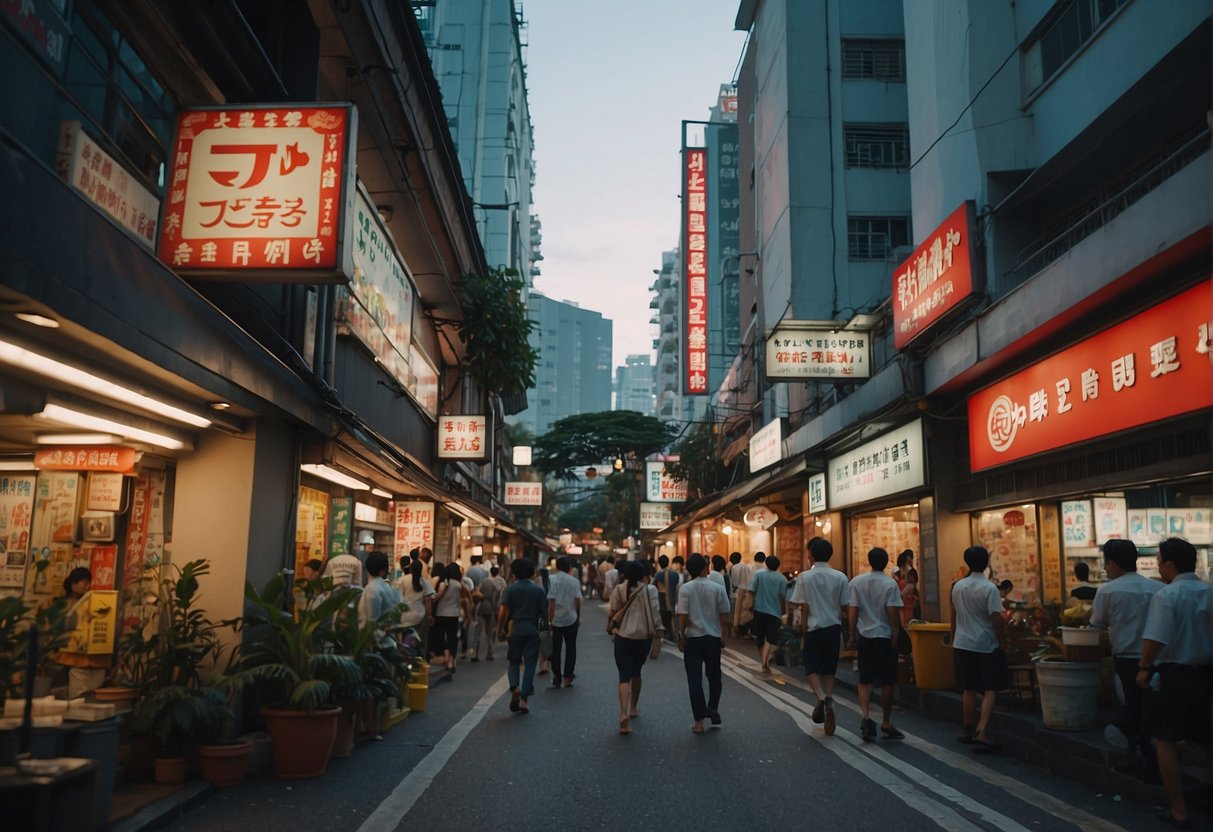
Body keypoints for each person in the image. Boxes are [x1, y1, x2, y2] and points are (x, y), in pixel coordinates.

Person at [1136, 537, 1212, 829]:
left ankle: (1179, 809)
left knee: (1166, 739)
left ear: (1168, 564)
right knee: (1204, 738)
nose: (1158, 566)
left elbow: (1155, 638)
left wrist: (1143, 667)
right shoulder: (1209, 592)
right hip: (1206, 674)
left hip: (1174, 674)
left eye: (1158, 560)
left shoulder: (1167, 595)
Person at [1089, 539, 1161, 770]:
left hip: (1126, 659)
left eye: (1106, 563)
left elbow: (1097, 624)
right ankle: (1151, 753)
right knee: (1150, 706)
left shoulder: (1108, 590)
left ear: (1112, 563)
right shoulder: (1156, 588)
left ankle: (1135, 753)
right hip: (1156, 658)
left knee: (1131, 706)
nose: (1106, 568)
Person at [790, 538, 850, 736]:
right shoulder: (840, 577)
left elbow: (803, 606)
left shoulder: (805, 577)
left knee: (811, 668)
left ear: (812, 555)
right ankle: (830, 697)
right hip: (833, 627)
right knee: (829, 670)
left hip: (814, 627)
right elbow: (844, 606)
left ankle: (821, 698)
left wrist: (804, 632)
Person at [951, 545, 1007, 752]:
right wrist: (1002, 641)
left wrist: (953, 636)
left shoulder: (958, 586)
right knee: (990, 689)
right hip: (984, 643)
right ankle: (982, 730)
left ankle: (968, 725)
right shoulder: (989, 588)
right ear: (986, 563)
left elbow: (954, 614)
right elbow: (996, 619)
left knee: (969, 688)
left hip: (962, 642)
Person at [847, 548, 905, 742]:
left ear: (869, 561)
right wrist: (896, 632)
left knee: (865, 679)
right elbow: (892, 611)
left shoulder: (856, 582)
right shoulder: (890, 584)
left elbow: (853, 609)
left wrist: (852, 634)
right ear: (887, 561)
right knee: (888, 680)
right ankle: (886, 721)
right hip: (885, 636)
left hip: (865, 635)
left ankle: (866, 716)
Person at [676, 553, 730, 734]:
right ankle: (713, 706)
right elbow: (724, 613)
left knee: (694, 679)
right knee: (714, 676)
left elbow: (682, 615)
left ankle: (698, 722)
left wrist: (681, 635)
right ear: (703, 568)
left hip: (693, 637)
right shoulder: (717, 588)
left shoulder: (685, 588)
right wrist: (723, 633)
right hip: (712, 637)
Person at [608, 561, 662, 734]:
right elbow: (655, 612)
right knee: (636, 672)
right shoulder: (650, 589)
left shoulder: (619, 589)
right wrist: (659, 629)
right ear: (642, 575)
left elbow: (614, 609)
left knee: (624, 676)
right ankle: (633, 708)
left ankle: (623, 712)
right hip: (642, 637)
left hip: (622, 636)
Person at [497, 558, 548, 714]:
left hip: (515, 629)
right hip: (532, 630)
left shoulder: (510, 590)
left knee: (514, 662)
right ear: (532, 573)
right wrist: (545, 629)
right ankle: (524, 699)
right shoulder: (538, 590)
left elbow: (503, 611)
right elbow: (544, 614)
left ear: (514, 573)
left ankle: (515, 688)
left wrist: (500, 629)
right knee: (530, 664)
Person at [58, 567, 107, 698]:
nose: (87, 586)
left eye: (88, 583)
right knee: (77, 699)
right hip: (76, 657)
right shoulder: (63, 605)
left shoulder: (94, 600)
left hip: (97, 657)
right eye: (84, 583)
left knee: (95, 697)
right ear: (73, 584)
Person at [748, 554, 786, 674]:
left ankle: (764, 660)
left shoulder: (759, 574)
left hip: (759, 609)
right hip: (774, 611)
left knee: (760, 637)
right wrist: (783, 610)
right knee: (771, 638)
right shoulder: (782, 579)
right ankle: (765, 660)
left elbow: (751, 590)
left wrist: (753, 601)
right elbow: (782, 596)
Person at [547, 556, 581, 688]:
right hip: (571, 618)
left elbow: (552, 602)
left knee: (555, 649)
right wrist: (578, 617)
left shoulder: (552, 579)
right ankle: (568, 676)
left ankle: (557, 676)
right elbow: (577, 601)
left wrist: (549, 621)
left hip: (555, 619)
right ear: (569, 567)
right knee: (571, 648)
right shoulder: (574, 581)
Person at [432, 562, 472, 674]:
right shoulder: (459, 584)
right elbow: (466, 598)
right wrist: (468, 615)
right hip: (454, 614)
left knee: (440, 636)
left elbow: (437, 596)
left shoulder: (445, 582)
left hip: (441, 613)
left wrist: (432, 601)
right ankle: (451, 660)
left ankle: (446, 655)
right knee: (452, 637)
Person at [358, 552, 403, 650]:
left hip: (376, 646)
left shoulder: (371, 589)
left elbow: (372, 620)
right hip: (389, 642)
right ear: (383, 570)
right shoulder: (389, 588)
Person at [396, 559, 436, 654]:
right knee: (420, 641)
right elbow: (428, 600)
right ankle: (419, 661)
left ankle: (406, 658)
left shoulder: (402, 580)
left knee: (405, 640)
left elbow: (397, 599)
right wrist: (430, 615)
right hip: (420, 616)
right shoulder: (424, 581)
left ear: (411, 568)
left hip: (405, 616)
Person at [470, 565, 506, 661]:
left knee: (478, 631)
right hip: (491, 608)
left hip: (481, 607)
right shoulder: (500, 582)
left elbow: (478, 593)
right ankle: (490, 653)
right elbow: (498, 595)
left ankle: (475, 654)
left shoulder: (485, 581)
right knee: (489, 632)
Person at [463, 555, 489, 661]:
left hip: (472, 596)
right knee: (480, 623)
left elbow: (469, 586)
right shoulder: (484, 571)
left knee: (471, 619)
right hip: (482, 597)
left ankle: (471, 622)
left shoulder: (469, 571)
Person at [654, 554, 681, 640]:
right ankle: (672, 635)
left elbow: (654, 587)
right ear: (668, 562)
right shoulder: (675, 575)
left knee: (664, 620)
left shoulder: (658, 576)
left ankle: (666, 635)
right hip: (672, 600)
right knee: (671, 619)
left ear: (659, 564)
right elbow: (677, 586)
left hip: (662, 601)